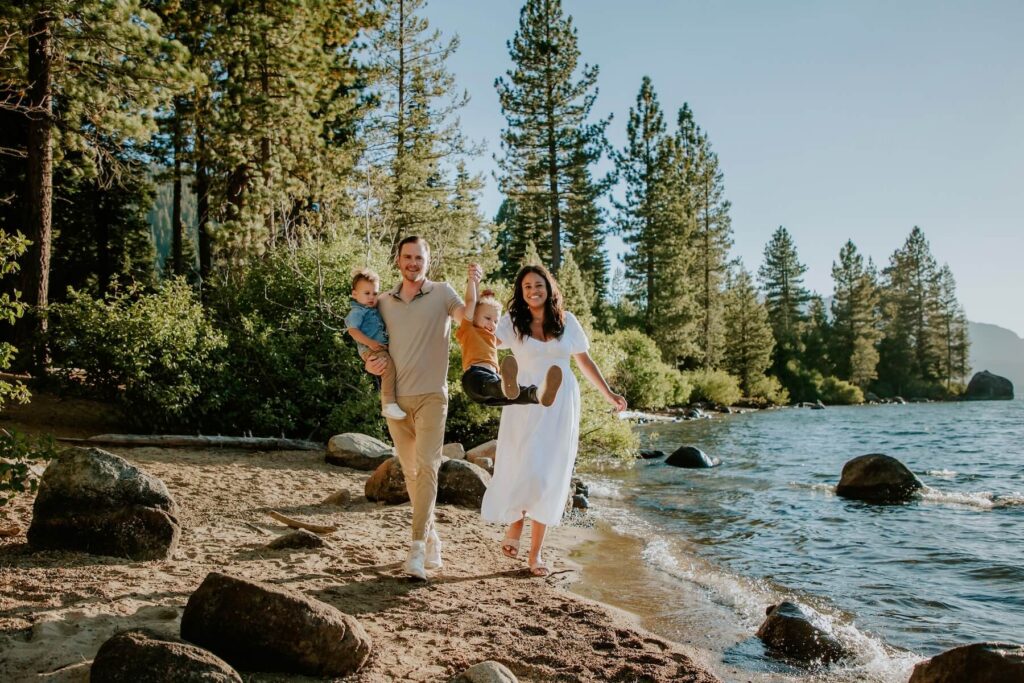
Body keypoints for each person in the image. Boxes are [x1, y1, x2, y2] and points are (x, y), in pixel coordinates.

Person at [480, 264, 627, 576]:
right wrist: (480, 309)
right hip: (523, 399)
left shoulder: (566, 321)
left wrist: (609, 394)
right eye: (527, 287)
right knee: (522, 464)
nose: (534, 291)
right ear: (521, 293)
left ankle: (536, 554)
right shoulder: (512, 322)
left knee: (549, 472)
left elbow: (584, 361)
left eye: (539, 285)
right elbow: (486, 340)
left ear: (549, 289)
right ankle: (515, 528)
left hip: (559, 403)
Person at [365, 235, 477, 580]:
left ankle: (415, 550)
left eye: (419, 258)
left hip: (432, 397)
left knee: (428, 468)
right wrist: (370, 362)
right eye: (408, 257)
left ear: (428, 261)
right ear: (398, 261)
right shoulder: (383, 301)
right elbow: (369, 341)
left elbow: (467, 318)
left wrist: (472, 285)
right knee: (412, 472)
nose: (413, 263)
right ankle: (432, 537)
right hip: (396, 401)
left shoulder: (442, 293)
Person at [456, 269, 562, 408]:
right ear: (474, 316)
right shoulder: (468, 329)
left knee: (513, 394)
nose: (492, 324)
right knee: (492, 385)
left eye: (495, 321)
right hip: (474, 377)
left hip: (493, 381)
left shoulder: (492, 337)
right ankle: (503, 388)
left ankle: (538, 393)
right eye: (487, 318)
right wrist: (473, 281)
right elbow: (471, 302)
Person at [345, 268, 406, 420]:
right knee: (388, 367)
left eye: (375, 293)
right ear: (354, 294)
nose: (372, 297)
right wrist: (370, 343)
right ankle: (388, 404)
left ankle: (391, 401)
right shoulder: (357, 311)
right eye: (367, 293)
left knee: (390, 367)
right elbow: (353, 331)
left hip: (376, 346)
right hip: (370, 348)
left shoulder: (371, 308)